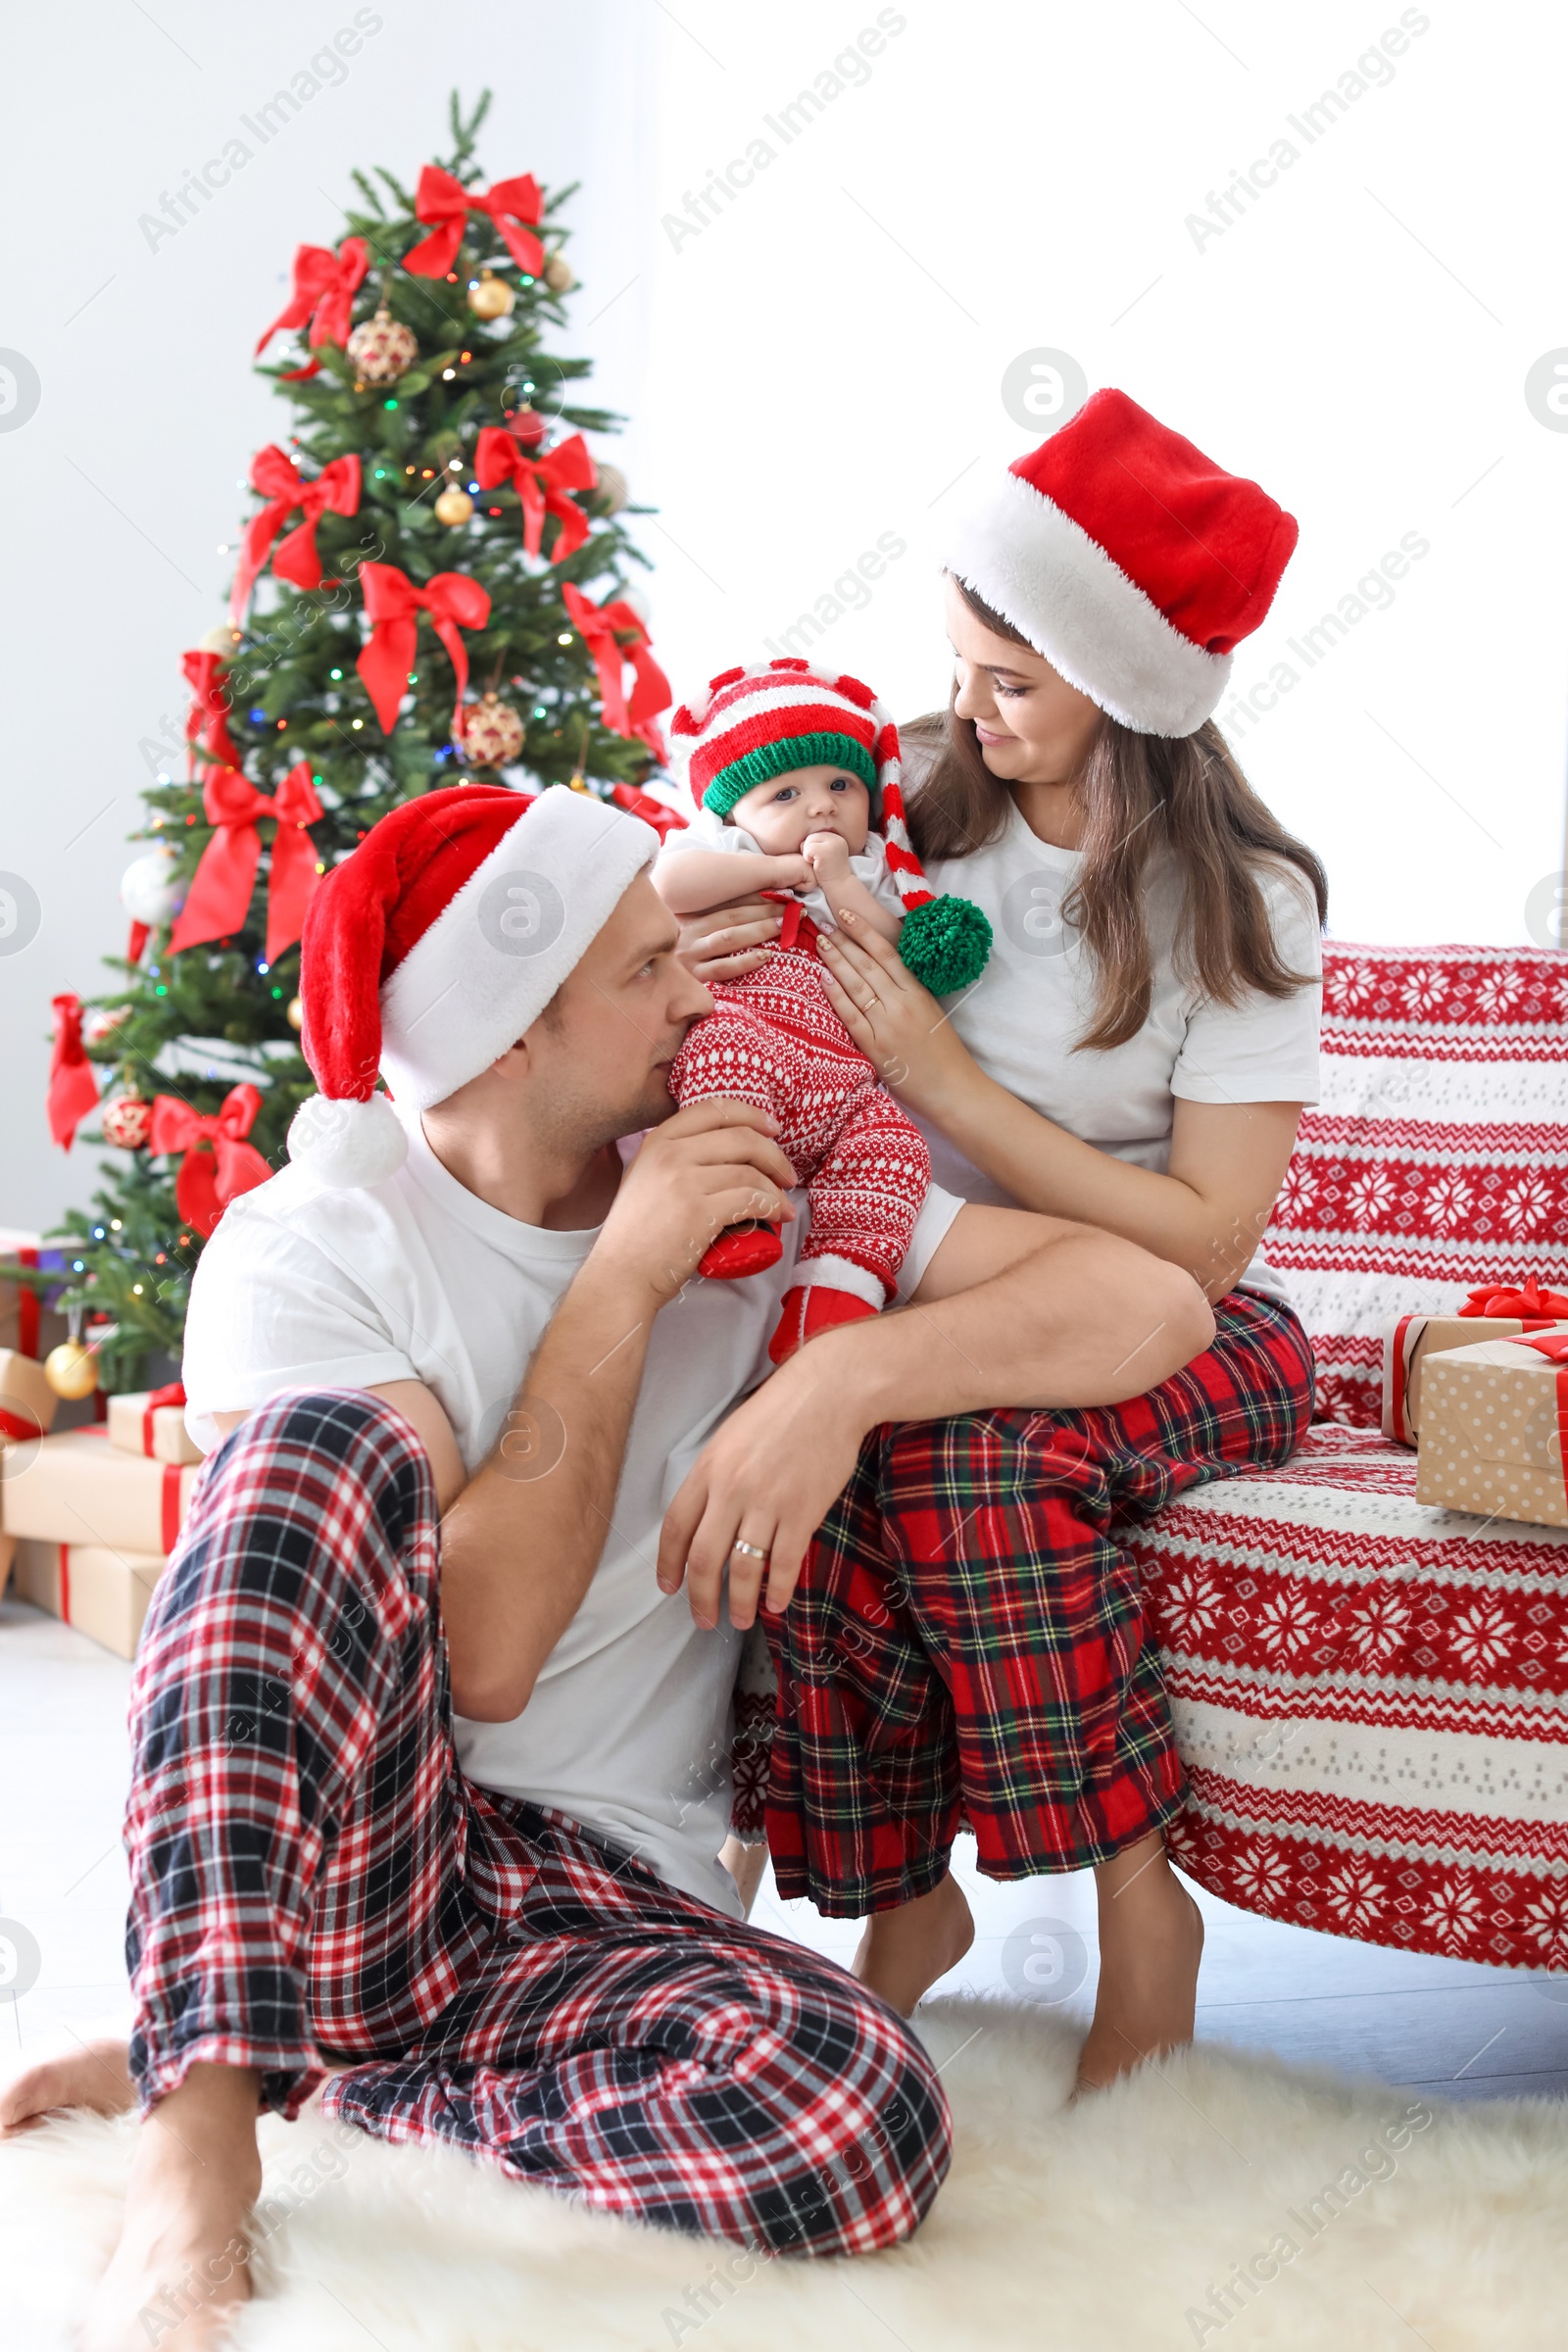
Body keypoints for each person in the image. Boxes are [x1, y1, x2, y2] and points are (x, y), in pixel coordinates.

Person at [0, 777, 1211, 2347]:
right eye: (645, 968)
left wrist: (843, 1381)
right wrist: (623, 1281)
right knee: (317, 1455)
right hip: (378, 1851)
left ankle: (348, 2078)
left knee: (856, 2121)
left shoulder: (746, 1175)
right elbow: (487, 1652)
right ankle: (201, 2134)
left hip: (605, 1903)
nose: (698, 992)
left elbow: (1151, 1308)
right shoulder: (315, 1243)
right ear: (511, 1028)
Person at [672, 388, 1325, 2085]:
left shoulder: (1243, 901)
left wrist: (941, 1077)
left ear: (1129, 693)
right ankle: (891, 1904)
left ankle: (1141, 1909)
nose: (964, 714)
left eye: (1013, 685)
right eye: (960, 666)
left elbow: (1201, 1246)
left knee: (960, 1457)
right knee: (873, 1447)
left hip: (1183, 1310)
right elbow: (667, 856)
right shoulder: (901, 794)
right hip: (927, 1262)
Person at [654, 659, 991, 1360]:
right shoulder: (727, 846)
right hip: (750, 1032)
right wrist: (772, 872)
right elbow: (672, 883)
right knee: (719, 1073)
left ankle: (835, 1291)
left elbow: (894, 941)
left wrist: (838, 880)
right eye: (786, 793)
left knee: (894, 1151)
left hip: (845, 1080)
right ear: (733, 812)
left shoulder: (872, 864)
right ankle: (735, 1221)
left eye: (841, 784)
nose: (821, 806)